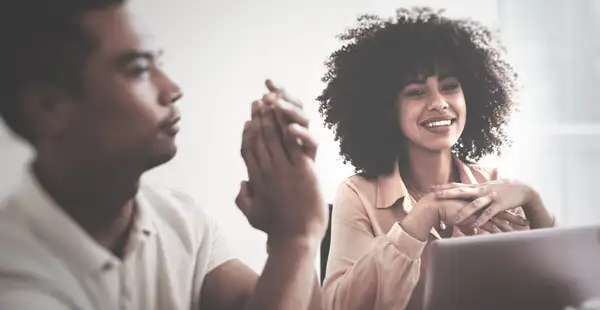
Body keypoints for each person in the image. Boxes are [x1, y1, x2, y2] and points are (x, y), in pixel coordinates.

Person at [0, 1, 326, 309]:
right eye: (139, 69)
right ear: (50, 109)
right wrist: (295, 238)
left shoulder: (180, 221)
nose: (171, 88)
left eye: (160, 63)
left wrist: (285, 231)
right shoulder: (13, 278)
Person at [316, 7, 556, 310]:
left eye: (449, 87)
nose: (439, 103)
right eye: (417, 92)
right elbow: (338, 306)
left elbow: (555, 291)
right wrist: (425, 213)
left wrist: (532, 201)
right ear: (387, 110)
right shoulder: (358, 195)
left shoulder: (492, 184)